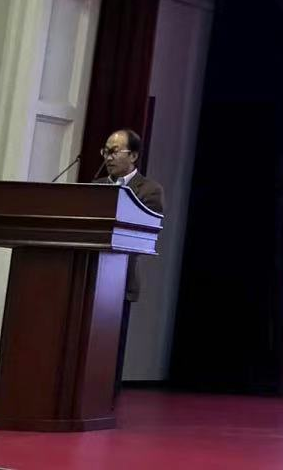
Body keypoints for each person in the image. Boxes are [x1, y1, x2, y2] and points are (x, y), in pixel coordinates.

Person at [93, 128, 164, 393]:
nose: (108, 157)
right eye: (106, 151)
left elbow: (146, 232)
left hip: (120, 280)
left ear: (133, 156)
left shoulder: (150, 191)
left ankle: (107, 396)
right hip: (88, 277)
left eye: (114, 151)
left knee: (112, 346)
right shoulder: (95, 187)